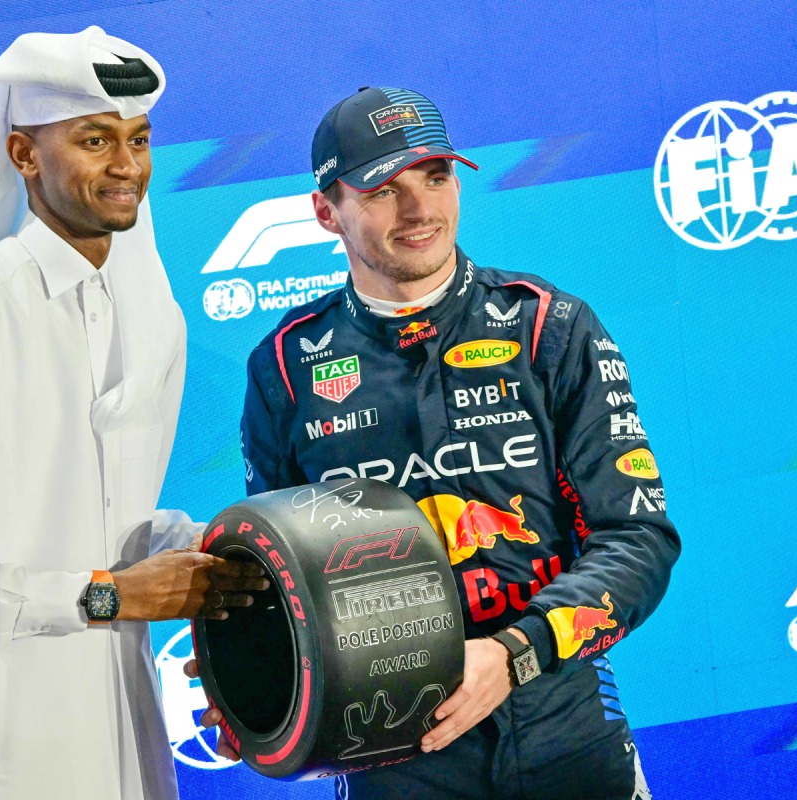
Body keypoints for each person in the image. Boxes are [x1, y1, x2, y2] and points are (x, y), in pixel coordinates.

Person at [204, 86, 680, 799]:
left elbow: (639, 539)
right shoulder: (285, 366)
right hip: (390, 759)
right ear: (326, 211)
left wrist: (515, 655)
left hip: (564, 732)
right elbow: (278, 582)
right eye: (383, 190)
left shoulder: (549, 327)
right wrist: (245, 676)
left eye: (435, 177)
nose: (421, 210)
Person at [0, 27, 266, 800]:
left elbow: (104, 517)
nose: (126, 166)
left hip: (118, 726)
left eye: (139, 139)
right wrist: (107, 595)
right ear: (22, 155)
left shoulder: (154, 319)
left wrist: (216, 549)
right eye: (94, 140)